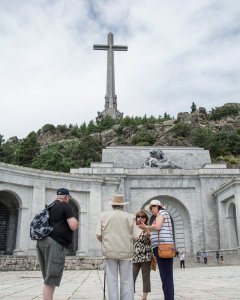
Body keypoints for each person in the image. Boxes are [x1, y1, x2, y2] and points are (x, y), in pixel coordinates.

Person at [36, 188, 79, 300]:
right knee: (52, 276)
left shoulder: (50, 206)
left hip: (42, 241)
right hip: (54, 242)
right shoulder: (65, 206)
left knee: (47, 276)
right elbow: (73, 225)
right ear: (67, 197)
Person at [96, 195, 140, 300]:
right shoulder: (130, 217)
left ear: (112, 205)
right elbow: (136, 236)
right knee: (127, 280)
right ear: (123, 206)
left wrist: (106, 243)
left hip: (109, 252)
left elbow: (98, 235)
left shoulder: (104, 216)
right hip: (126, 252)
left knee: (111, 279)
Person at [139, 199, 174, 300]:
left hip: (163, 248)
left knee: (166, 277)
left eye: (151, 208)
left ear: (156, 207)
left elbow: (157, 227)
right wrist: (146, 228)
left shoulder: (162, 213)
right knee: (165, 276)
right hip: (160, 248)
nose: (151, 211)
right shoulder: (159, 216)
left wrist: (146, 226)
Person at [132, 211, 152, 300]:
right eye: (138, 217)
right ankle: (130, 295)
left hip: (146, 256)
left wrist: (145, 228)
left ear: (145, 219)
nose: (140, 218)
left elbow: (149, 236)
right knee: (132, 276)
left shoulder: (148, 227)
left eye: (142, 217)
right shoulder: (133, 228)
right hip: (135, 256)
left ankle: (144, 297)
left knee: (146, 277)